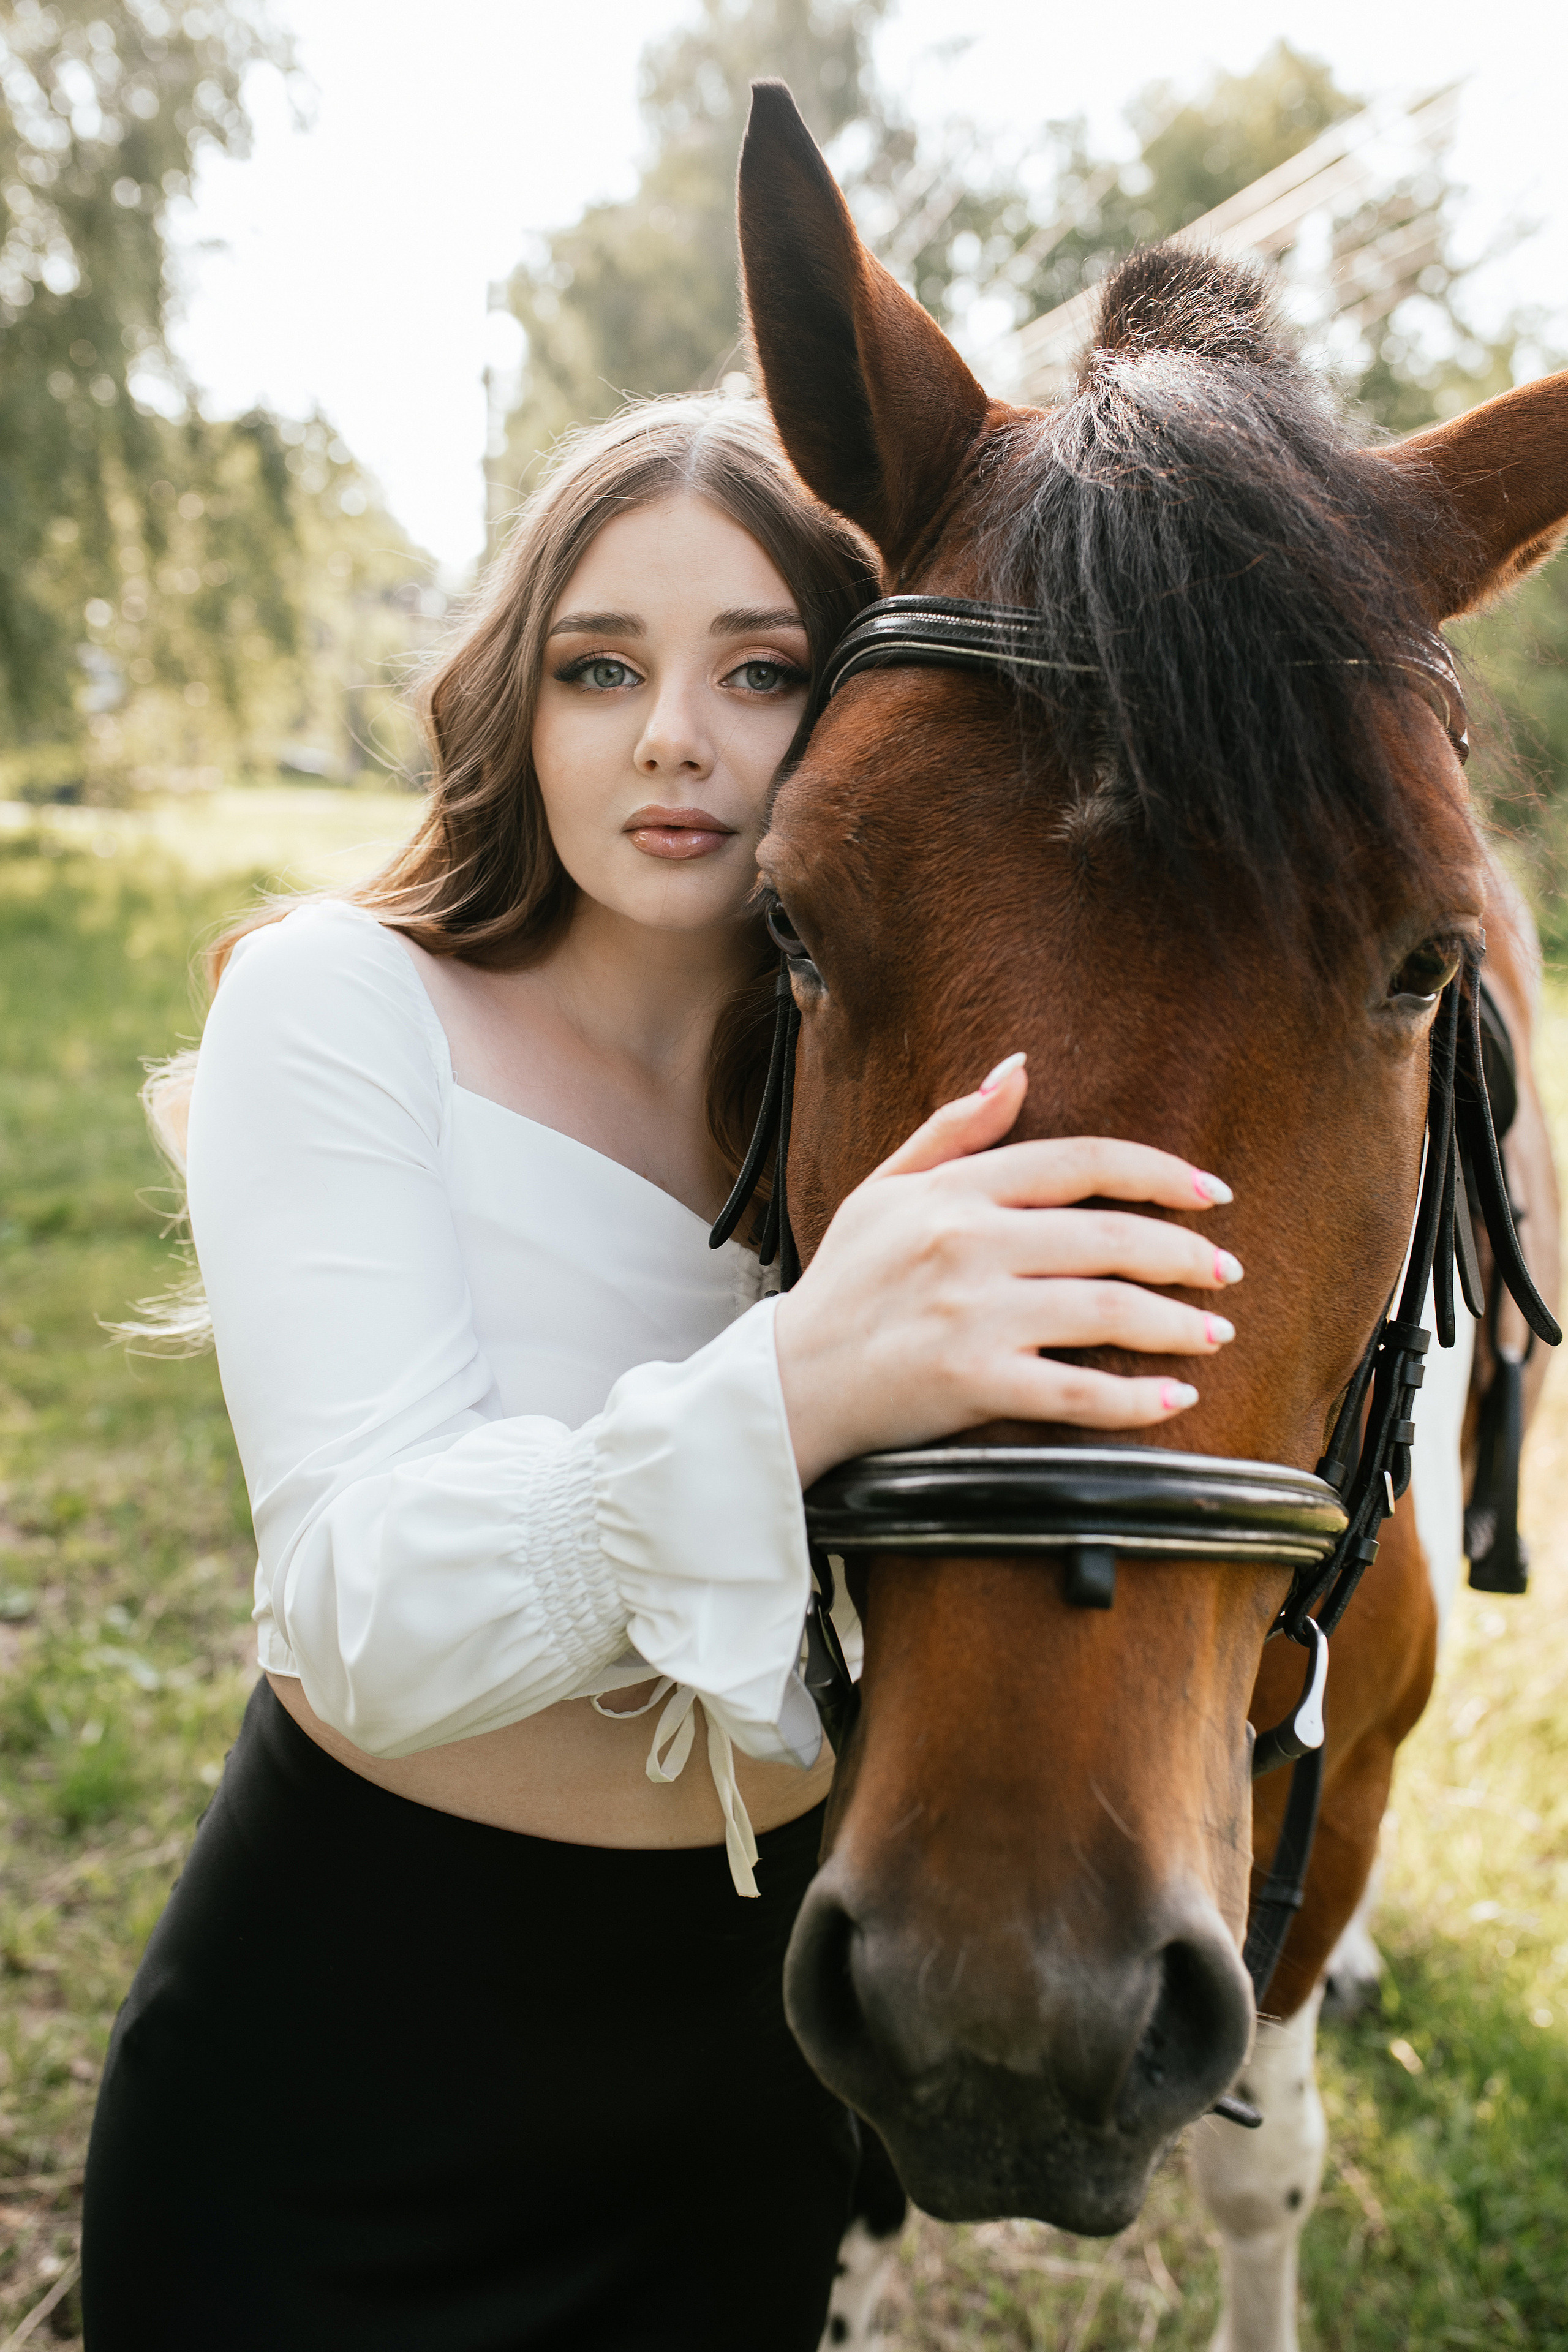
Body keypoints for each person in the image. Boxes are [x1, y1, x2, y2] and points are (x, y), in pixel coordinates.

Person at [80, 393, 1242, 2351]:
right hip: (357, 2050)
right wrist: (800, 1375)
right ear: (514, 706)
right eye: (598, 665)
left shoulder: (879, 1112)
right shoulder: (340, 1003)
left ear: (866, 707)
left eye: (761, 669)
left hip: (747, 2060)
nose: (674, 736)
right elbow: (357, 1610)